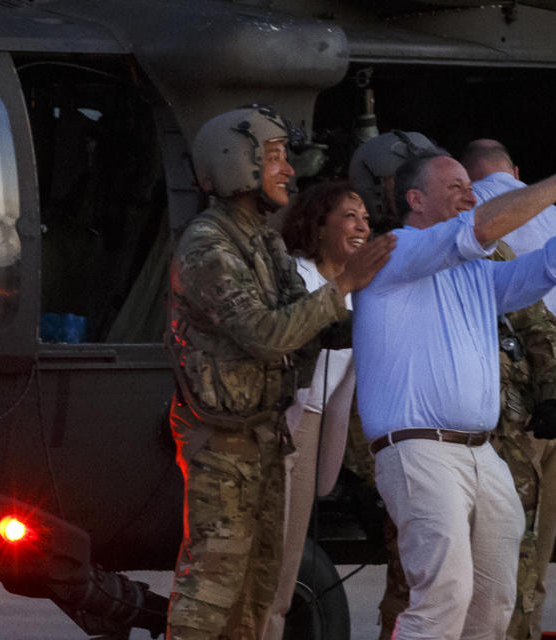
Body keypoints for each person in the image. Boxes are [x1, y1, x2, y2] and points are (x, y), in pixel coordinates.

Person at [354, 137, 556, 639]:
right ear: (414, 200)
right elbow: (478, 227)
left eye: (470, 186)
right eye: (455, 187)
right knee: (443, 596)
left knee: (494, 601)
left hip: (481, 454)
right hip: (420, 449)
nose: (469, 195)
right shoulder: (396, 251)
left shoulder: (474, 272)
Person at [166, 106, 394, 640]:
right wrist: (344, 287)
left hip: (265, 438)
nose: (288, 171)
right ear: (234, 163)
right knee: (212, 587)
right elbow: (269, 334)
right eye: (273, 159)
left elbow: (314, 327)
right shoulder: (209, 244)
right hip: (222, 442)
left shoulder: (262, 240)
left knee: (258, 589)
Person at [462, 138, 556, 640]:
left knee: (498, 542)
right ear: (515, 169)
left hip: (515, 401)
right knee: (538, 542)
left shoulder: (473, 221)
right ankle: (527, 631)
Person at [259, 180, 371, 639]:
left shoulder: (361, 290)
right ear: (318, 225)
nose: (363, 225)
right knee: (273, 565)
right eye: (350, 216)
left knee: (286, 567)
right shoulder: (296, 276)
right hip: (286, 424)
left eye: (366, 217)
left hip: (315, 425)